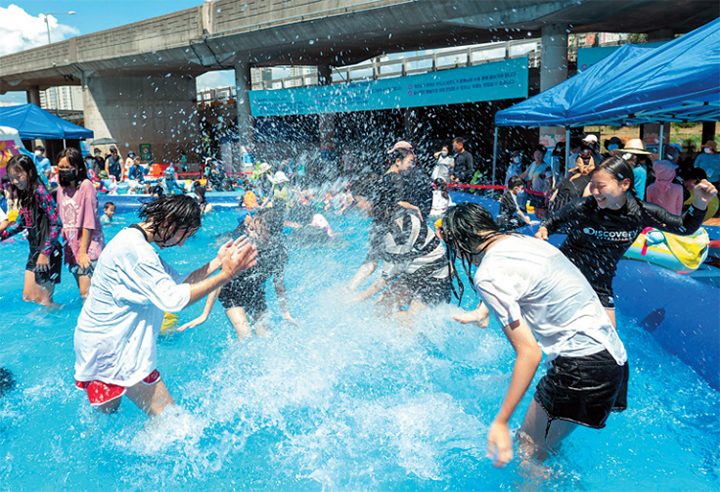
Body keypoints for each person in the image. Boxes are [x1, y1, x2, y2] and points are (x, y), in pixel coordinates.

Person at [442, 202, 628, 466]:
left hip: (582, 368)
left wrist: (501, 421)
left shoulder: (487, 274)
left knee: (527, 452)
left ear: (463, 241)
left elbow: (530, 353)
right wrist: (483, 311)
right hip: (612, 357)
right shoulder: (525, 242)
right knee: (544, 448)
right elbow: (521, 280)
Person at [74, 195, 258, 416]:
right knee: (170, 420)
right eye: (183, 235)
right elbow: (173, 299)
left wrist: (218, 262)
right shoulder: (138, 251)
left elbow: (179, 281)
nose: (180, 243)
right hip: (114, 350)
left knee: (107, 418)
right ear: (169, 220)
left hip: (98, 343)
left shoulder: (133, 240)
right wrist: (227, 275)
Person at [536, 156, 716, 328]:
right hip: (566, 277)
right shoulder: (584, 207)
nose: (595, 192)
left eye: (601, 186)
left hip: (600, 284)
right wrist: (543, 230)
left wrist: (700, 203)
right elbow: (553, 221)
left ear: (625, 184)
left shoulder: (640, 212)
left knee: (609, 344)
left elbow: (684, 228)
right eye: (593, 186)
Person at [180, 207, 295, 341]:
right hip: (232, 294)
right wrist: (204, 314)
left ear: (270, 232)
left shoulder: (280, 252)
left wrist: (286, 314)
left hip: (255, 293)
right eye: (250, 227)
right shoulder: (241, 249)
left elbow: (279, 283)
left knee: (267, 337)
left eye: (254, 229)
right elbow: (219, 280)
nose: (249, 232)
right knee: (246, 336)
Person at [351, 176, 450, 318]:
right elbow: (371, 262)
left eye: (357, 201)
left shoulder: (397, 226)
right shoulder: (379, 223)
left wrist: (356, 299)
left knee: (408, 322)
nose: (354, 205)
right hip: (415, 273)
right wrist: (349, 289)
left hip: (435, 277)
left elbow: (386, 279)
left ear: (371, 200)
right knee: (380, 310)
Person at [0, 155, 63, 306]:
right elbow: (21, 224)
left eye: (19, 176)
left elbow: (57, 223)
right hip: (35, 251)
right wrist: (1, 236)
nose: (15, 181)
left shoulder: (40, 192)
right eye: (12, 177)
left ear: (29, 172)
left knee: (44, 302)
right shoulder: (26, 194)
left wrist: (45, 253)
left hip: (48, 251)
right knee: (28, 297)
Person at [56, 148, 105, 299]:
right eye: (61, 167)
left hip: (88, 248)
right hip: (72, 249)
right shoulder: (60, 189)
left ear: (78, 168)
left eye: (68, 168)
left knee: (88, 295)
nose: (64, 171)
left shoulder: (86, 185)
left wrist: (83, 252)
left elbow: (88, 221)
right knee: (85, 293)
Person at [547, 144, 596, 216]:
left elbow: (551, 199)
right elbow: (585, 203)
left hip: (557, 217)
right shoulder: (590, 183)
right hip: (573, 218)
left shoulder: (566, 180)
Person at [521, 144, 549, 220]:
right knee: (536, 213)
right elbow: (525, 174)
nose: (537, 155)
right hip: (533, 193)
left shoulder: (546, 167)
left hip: (542, 194)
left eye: (540, 154)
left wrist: (547, 196)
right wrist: (515, 179)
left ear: (543, 155)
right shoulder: (532, 164)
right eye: (536, 153)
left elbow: (550, 182)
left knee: (542, 214)